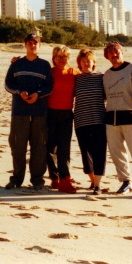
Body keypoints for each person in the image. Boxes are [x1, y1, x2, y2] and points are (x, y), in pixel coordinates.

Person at [4, 33, 53, 190]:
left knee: (39, 146)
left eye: (36, 43)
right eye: (30, 43)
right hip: (19, 111)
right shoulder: (16, 64)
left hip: (39, 112)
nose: (33, 45)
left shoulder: (45, 65)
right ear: (25, 45)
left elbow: (50, 87)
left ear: (39, 45)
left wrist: (38, 94)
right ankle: (16, 179)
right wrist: (20, 91)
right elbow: (7, 84)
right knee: (18, 145)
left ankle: (37, 180)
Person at [102, 42, 132, 200]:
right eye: (110, 52)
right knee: (117, 154)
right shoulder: (106, 75)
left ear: (122, 52)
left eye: (116, 51)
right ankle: (125, 182)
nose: (114, 54)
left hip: (131, 118)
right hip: (111, 120)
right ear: (106, 56)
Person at [46, 45, 80, 194]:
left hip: (66, 114)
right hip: (50, 113)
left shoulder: (74, 73)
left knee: (64, 148)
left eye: (64, 56)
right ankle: (55, 177)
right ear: (53, 58)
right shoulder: (49, 73)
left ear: (69, 58)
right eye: (58, 56)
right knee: (50, 148)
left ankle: (65, 177)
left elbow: (88, 77)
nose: (61, 59)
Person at [73, 49, 107, 195]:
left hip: (99, 120)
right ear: (79, 63)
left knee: (99, 153)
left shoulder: (102, 77)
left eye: (89, 60)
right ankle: (93, 181)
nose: (86, 63)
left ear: (94, 63)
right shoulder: (76, 78)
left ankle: (97, 185)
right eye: (83, 61)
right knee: (86, 156)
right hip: (81, 121)